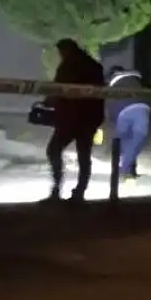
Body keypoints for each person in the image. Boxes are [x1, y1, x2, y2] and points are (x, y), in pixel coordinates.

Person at [45, 39, 105, 203]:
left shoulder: (68, 67)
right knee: (83, 155)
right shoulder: (94, 66)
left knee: (54, 150)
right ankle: (79, 191)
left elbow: (60, 89)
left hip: (71, 118)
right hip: (88, 118)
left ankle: (57, 189)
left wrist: (50, 101)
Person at [106, 65, 150, 179]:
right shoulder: (138, 80)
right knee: (136, 140)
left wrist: (110, 120)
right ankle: (128, 169)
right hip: (141, 108)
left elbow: (109, 103)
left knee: (125, 141)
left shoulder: (113, 84)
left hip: (121, 111)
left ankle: (125, 170)